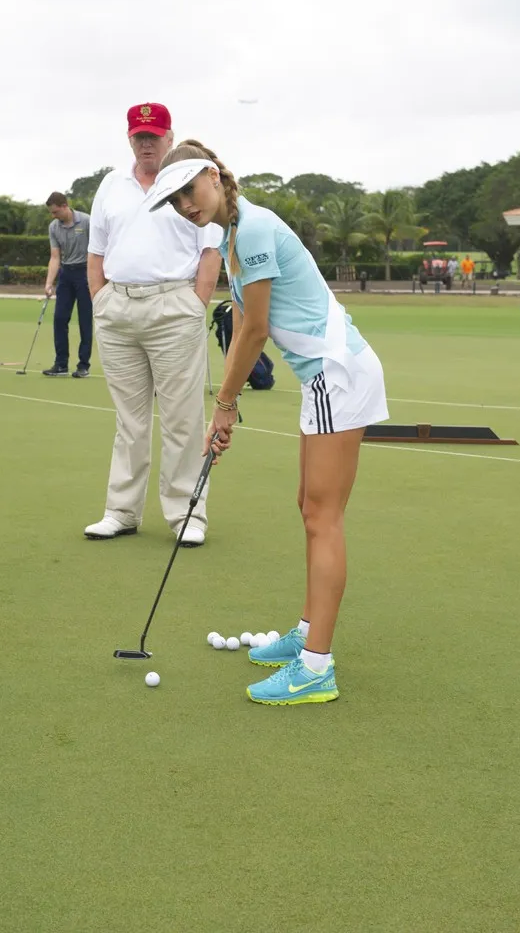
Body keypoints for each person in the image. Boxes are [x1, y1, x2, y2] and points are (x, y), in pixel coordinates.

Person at [146, 141, 389, 706]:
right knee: (308, 506)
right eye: (174, 199)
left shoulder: (252, 229)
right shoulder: (235, 234)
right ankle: (308, 633)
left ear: (213, 174)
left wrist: (225, 404)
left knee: (323, 517)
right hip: (322, 379)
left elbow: (254, 330)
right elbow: (250, 326)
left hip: (338, 374)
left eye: (188, 190)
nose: (184, 205)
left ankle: (315, 668)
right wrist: (226, 403)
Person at [84, 104, 222, 547]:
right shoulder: (111, 185)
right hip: (118, 309)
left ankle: (186, 514)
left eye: (154, 136)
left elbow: (210, 249)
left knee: (182, 419)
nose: (147, 143)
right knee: (130, 421)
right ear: (129, 139)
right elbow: (97, 251)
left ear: (169, 137)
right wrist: (101, 299)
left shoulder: (188, 182)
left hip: (173, 308)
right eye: (139, 136)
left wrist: (196, 303)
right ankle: (121, 511)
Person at [43, 192, 92, 378]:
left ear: (65, 206)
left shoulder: (87, 221)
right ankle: (61, 364)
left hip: (85, 273)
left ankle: (83, 365)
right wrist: (49, 283)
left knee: (85, 320)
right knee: (60, 318)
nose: (53, 216)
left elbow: (97, 250)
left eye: (55, 212)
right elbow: (55, 257)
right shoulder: (54, 227)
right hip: (66, 274)